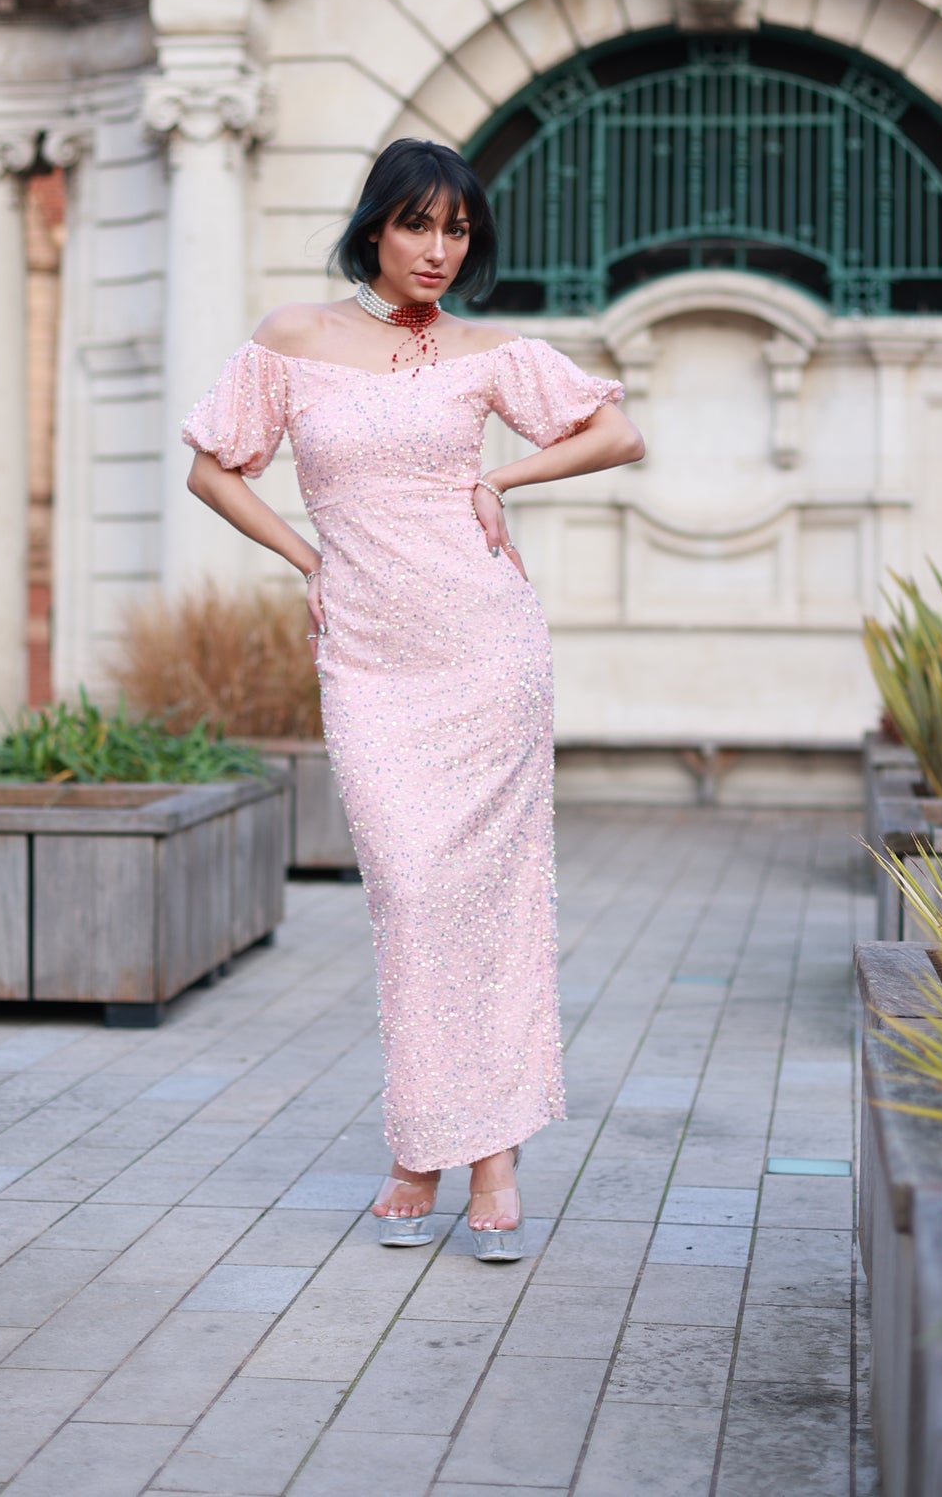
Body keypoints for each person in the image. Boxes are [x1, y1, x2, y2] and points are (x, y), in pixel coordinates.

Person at [183, 138, 644, 1260]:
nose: (438, 251)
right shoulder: (291, 338)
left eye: (457, 232)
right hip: (373, 655)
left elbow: (617, 430)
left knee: (491, 899)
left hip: (486, 646)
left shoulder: (490, 352)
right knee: (409, 889)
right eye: (417, 226)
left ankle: (475, 1157)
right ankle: (430, 1140)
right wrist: (310, 563)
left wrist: (500, 475)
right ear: (374, 227)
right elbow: (212, 466)